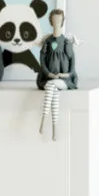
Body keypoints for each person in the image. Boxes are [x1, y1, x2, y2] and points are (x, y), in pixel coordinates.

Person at [37, 9, 76, 140]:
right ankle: (54, 128)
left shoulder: (66, 42)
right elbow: (42, 59)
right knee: (53, 88)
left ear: (62, 21)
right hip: (49, 78)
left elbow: (72, 62)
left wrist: (65, 75)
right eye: (54, 20)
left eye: (59, 20)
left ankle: (43, 121)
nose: (56, 22)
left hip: (64, 80)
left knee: (52, 85)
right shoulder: (48, 42)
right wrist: (49, 73)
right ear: (50, 22)